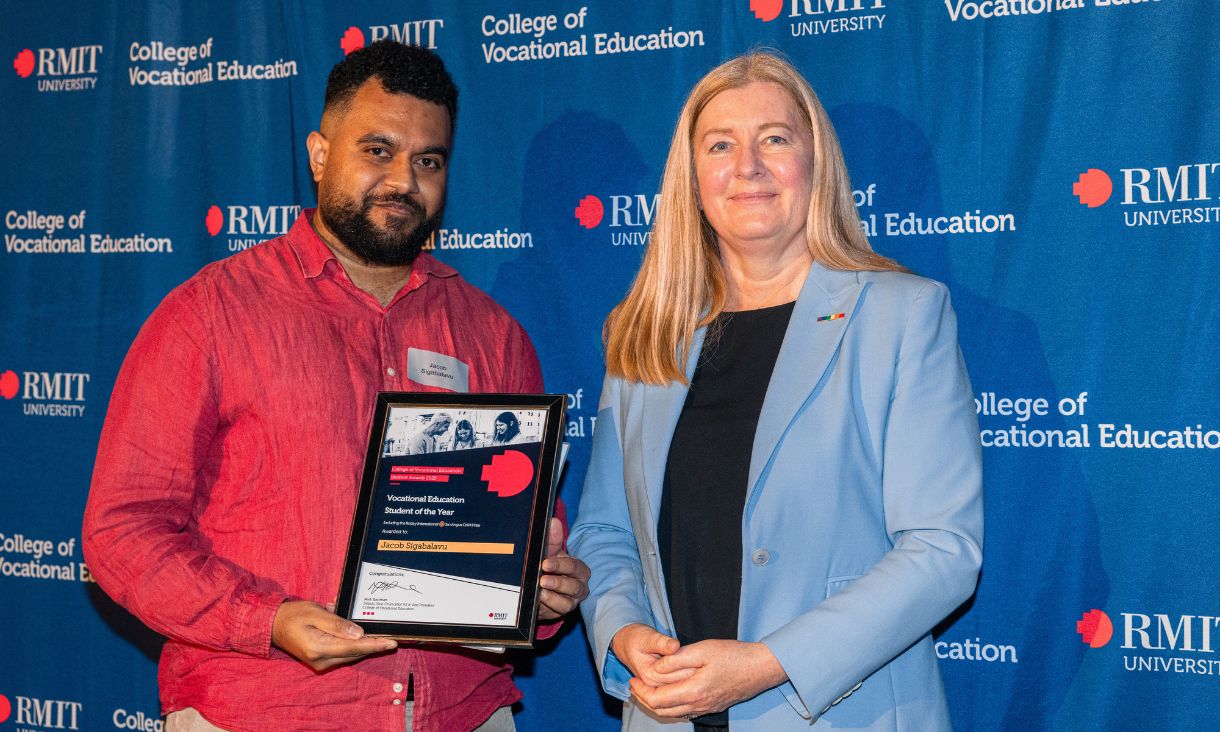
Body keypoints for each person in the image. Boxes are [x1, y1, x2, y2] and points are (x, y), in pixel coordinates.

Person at [82, 41, 589, 732]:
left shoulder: (494, 335)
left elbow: (524, 535)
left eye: (428, 161)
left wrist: (543, 589)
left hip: (461, 713)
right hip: (264, 712)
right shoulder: (211, 313)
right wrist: (266, 620)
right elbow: (122, 531)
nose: (403, 181)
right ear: (320, 155)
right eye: (378, 150)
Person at [568, 51, 982, 731]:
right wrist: (622, 630)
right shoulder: (644, 332)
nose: (748, 166)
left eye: (775, 139)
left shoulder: (902, 314)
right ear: (692, 178)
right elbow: (604, 529)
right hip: (667, 715)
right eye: (720, 145)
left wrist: (770, 663)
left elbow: (942, 550)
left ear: (816, 164)